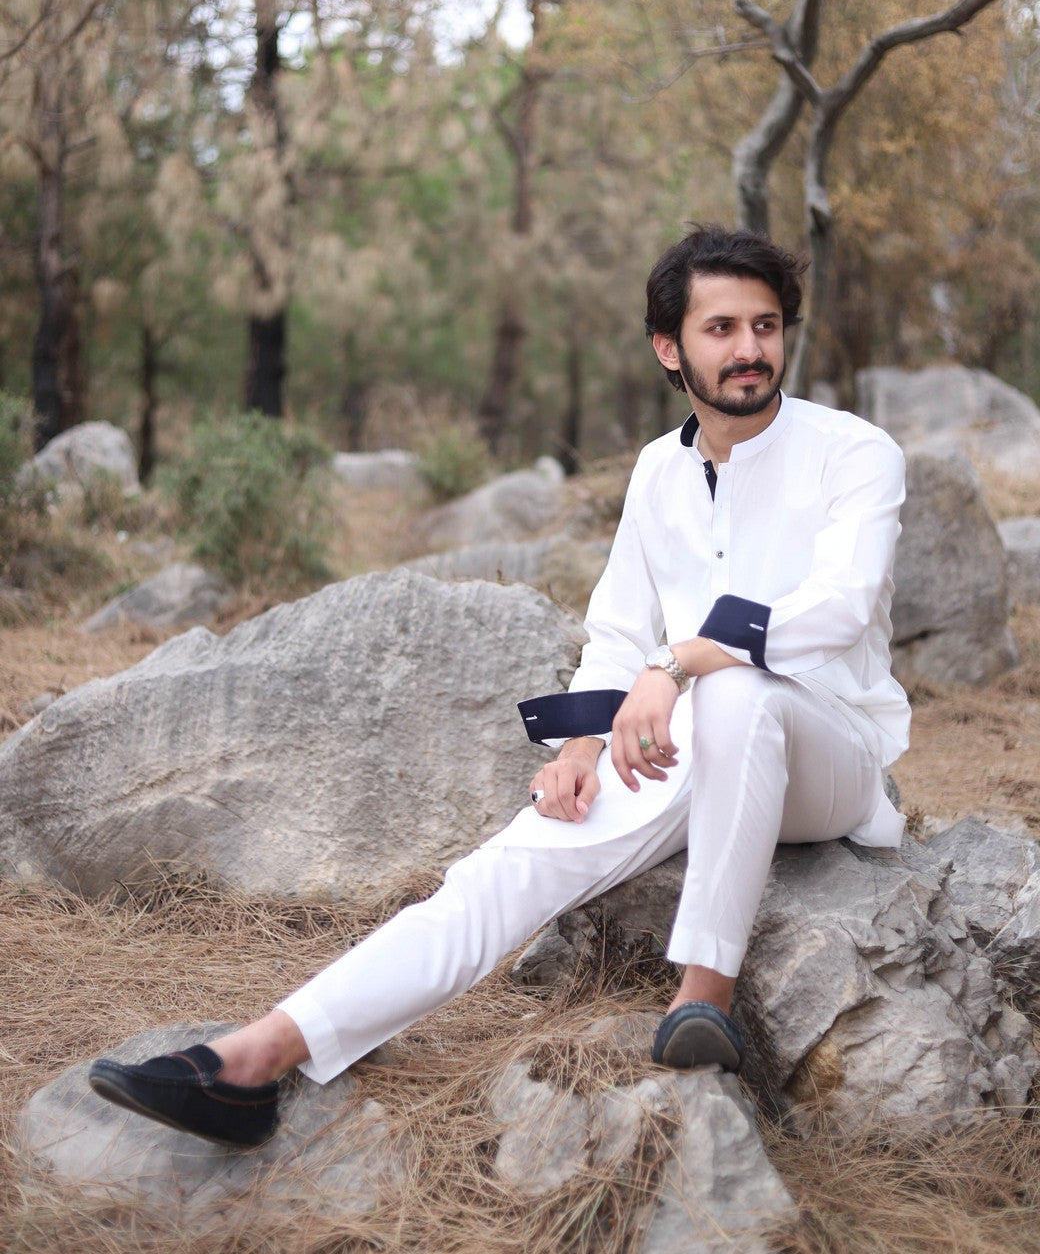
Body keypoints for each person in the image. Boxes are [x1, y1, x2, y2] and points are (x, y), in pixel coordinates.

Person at [88, 223, 909, 1148]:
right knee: (499, 873)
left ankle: (702, 999)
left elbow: (838, 609)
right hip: (689, 752)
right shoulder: (658, 472)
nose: (750, 348)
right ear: (668, 347)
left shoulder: (855, 452)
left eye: (765, 325)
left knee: (739, 693)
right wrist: (580, 747)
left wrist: (676, 663)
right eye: (721, 328)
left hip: (827, 755)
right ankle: (253, 1061)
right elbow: (616, 631)